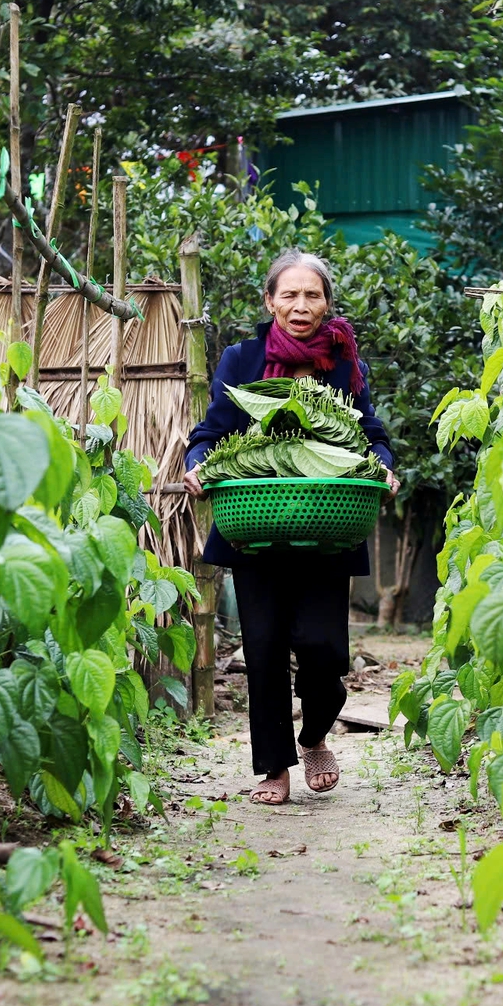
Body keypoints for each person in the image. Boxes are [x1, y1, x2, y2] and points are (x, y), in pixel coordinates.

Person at [183, 251, 400, 805]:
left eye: (312, 296)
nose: (301, 306)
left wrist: (383, 463)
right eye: (289, 295)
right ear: (269, 300)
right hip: (256, 525)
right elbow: (212, 430)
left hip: (327, 526)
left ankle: (315, 733)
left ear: (327, 302)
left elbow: (369, 429)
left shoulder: (344, 363)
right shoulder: (242, 359)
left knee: (324, 648)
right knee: (264, 646)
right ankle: (273, 768)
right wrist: (199, 463)